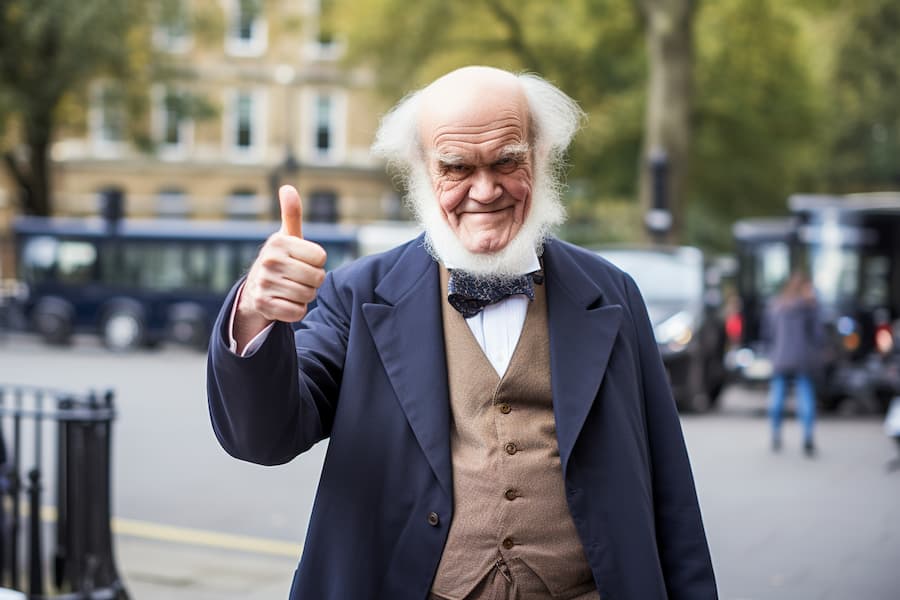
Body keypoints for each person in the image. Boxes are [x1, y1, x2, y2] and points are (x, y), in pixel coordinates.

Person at [207, 65, 717, 600]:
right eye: (456, 167)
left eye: (506, 161)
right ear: (421, 170)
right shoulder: (356, 295)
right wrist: (256, 312)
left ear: (540, 156)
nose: (485, 190)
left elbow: (669, 487)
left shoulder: (612, 293)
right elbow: (262, 437)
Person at [763, 271, 823, 456]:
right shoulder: (809, 308)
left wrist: (772, 352)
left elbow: (768, 333)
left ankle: (775, 435)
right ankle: (807, 436)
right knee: (805, 397)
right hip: (802, 359)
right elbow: (818, 335)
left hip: (780, 358)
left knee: (777, 397)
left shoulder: (776, 306)